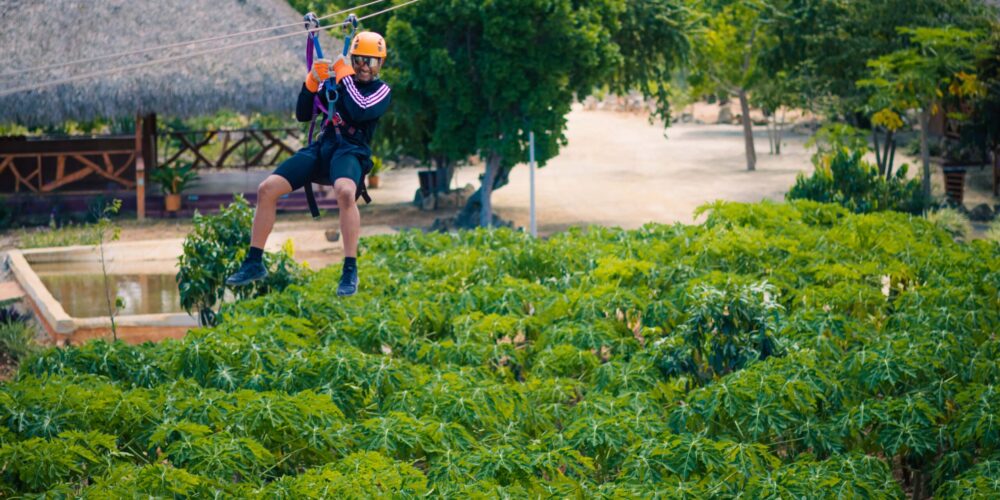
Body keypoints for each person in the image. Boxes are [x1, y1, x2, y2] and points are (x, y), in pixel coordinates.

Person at [225, 31, 391, 297]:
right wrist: (312, 81)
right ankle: (254, 261)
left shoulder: (380, 91)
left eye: (370, 62)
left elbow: (360, 109)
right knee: (266, 189)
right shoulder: (338, 82)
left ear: (379, 65)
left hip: (351, 151)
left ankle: (350, 269)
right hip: (323, 146)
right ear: (353, 58)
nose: (363, 67)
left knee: (346, 192)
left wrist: (344, 73)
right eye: (359, 60)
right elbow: (303, 113)